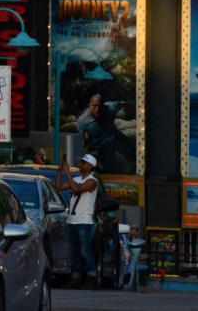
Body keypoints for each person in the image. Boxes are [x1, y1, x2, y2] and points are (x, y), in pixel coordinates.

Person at [57, 153, 101, 288]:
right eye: (80, 162)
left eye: (83, 162)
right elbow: (59, 187)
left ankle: (92, 277)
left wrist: (67, 172)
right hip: (72, 220)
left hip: (84, 220)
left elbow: (77, 189)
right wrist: (59, 171)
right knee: (74, 251)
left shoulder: (93, 181)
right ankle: (75, 277)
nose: (80, 164)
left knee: (85, 250)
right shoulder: (76, 179)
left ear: (90, 166)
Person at [76, 92, 135, 173]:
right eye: (94, 106)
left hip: (116, 136)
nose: (97, 109)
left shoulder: (110, 107)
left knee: (133, 154)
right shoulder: (83, 121)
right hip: (102, 146)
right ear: (90, 105)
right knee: (112, 168)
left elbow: (122, 104)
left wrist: (134, 107)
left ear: (103, 106)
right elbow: (79, 138)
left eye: (100, 106)